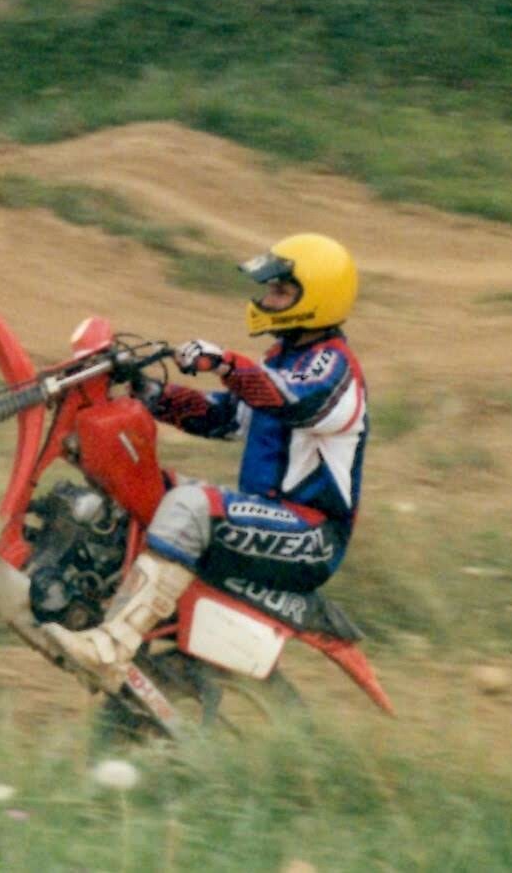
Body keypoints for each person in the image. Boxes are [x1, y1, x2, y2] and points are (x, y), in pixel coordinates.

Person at [41, 232, 369, 692]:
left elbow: (287, 400)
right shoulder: (282, 359)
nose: (266, 299)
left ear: (315, 299)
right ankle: (93, 599)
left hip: (310, 535)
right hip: (271, 520)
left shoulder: (334, 369)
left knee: (191, 507)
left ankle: (112, 647)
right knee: (148, 489)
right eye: (269, 289)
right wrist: (150, 393)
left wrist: (225, 363)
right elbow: (222, 416)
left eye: (279, 291)